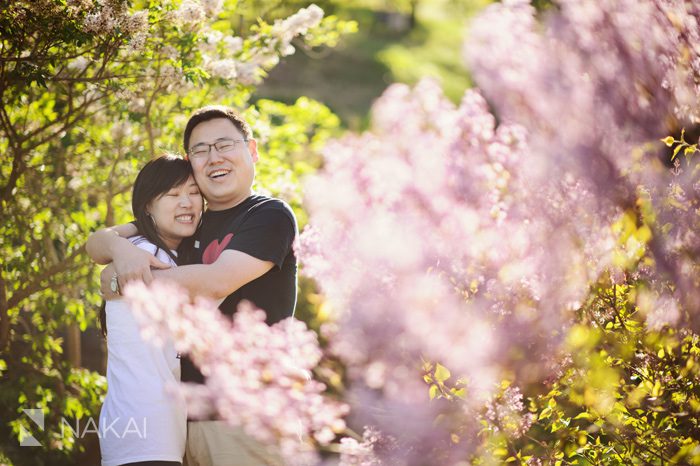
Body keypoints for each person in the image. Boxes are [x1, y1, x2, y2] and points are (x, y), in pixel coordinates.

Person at [86, 106, 298, 466]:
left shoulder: (267, 215)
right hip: (182, 422)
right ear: (190, 161)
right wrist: (118, 251)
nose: (214, 157)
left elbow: (217, 282)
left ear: (252, 150)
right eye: (201, 150)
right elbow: (98, 243)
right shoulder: (187, 219)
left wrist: (125, 280)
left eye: (225, 144)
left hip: (245, 417)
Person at [93, 155, 203, 466]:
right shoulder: (146, 255)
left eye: (194, 193)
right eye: (173, 194)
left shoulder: (156, 252)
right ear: (147, 206)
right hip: (146, 426)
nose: (186, 203)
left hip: (140, 422)